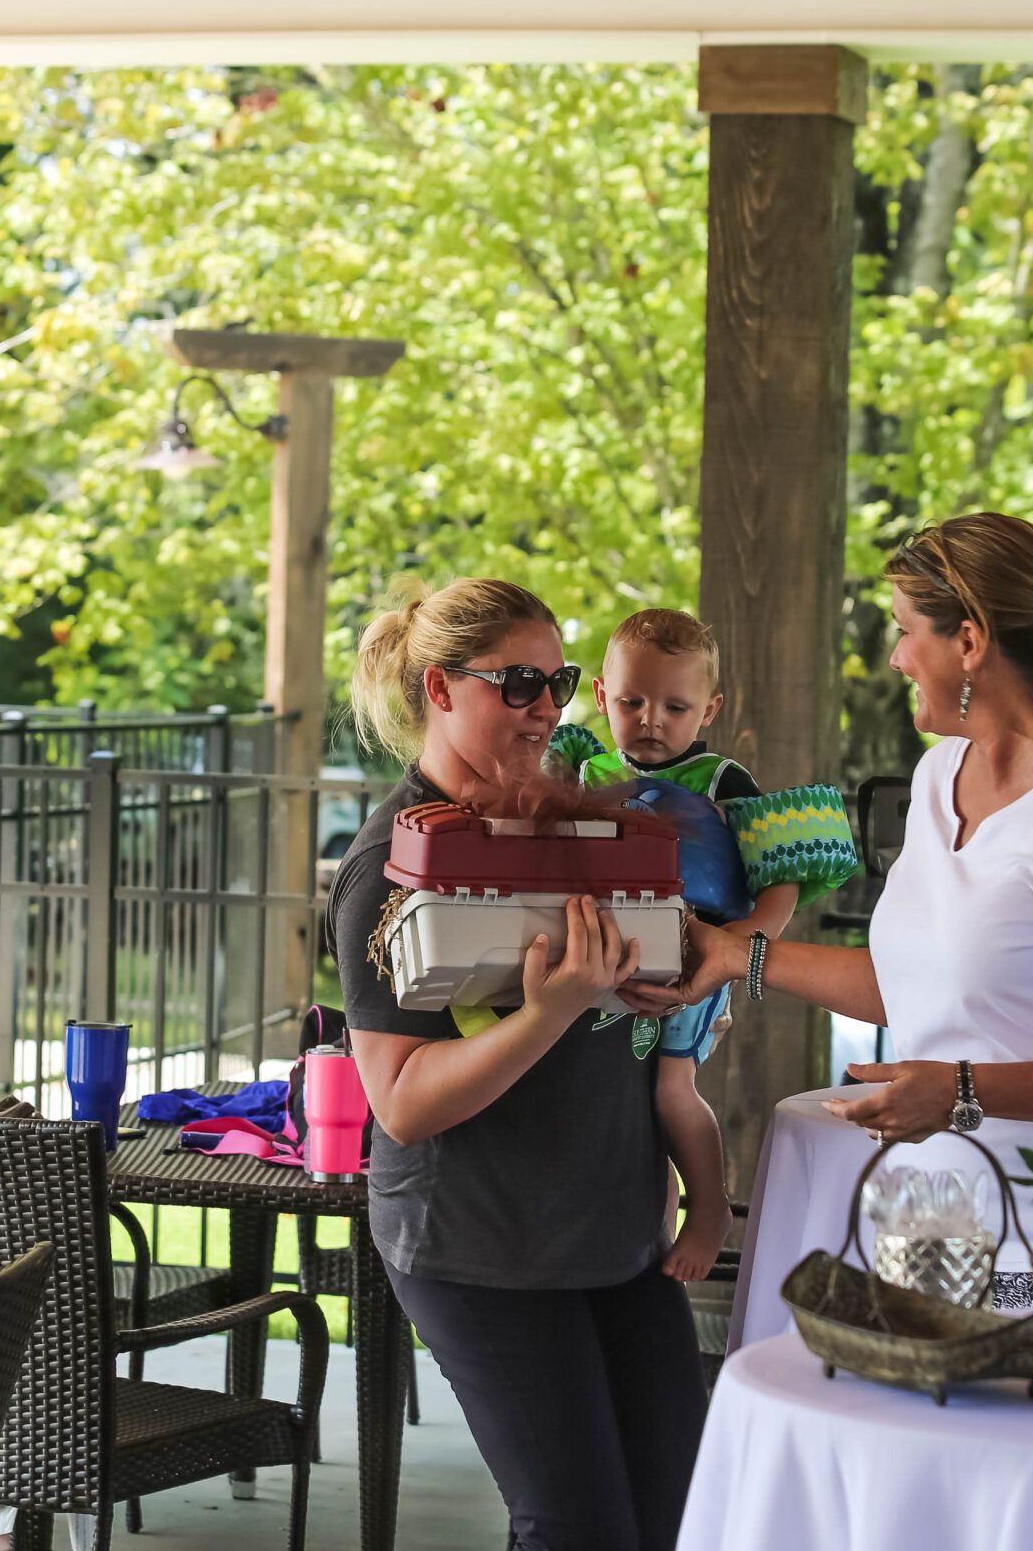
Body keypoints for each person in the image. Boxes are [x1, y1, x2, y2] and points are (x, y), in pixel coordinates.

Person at [627, 511, 1033, 1146]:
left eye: (905, 630)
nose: (895, 658)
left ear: (969, 642)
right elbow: (925, 983)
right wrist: (735, 954)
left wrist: (962, 1091)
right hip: (937, 1197)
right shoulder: (940, 774)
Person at [331, 576, 704, 1551]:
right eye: (519, 684)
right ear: (439, 688)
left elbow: (605, 990)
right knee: (579, 1528)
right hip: (482, 1242)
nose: (547, 710)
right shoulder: (390, 866)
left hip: (616, 1233)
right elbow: (402, 1101)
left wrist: (643, 982)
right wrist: (553, 1008)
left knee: (678, 1513)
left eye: (559, 683)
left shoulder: (565, 819)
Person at [573, 608, 804, 1282]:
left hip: (694, 958)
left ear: (710, 710)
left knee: (671, 1088)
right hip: (607, 957)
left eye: (675, 707)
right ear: (600, 697)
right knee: (604, 1085)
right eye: (632, 702)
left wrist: (738, 947)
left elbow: (781, 879)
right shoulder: (587, 776)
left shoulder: (724, 781)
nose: (651, 719)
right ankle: (622, 1207)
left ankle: (708, 1208)